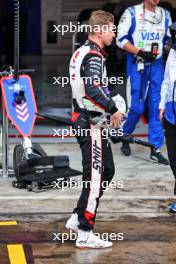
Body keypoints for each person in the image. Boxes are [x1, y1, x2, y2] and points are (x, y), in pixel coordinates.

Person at [65, 10, 124, 249]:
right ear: (100, 31)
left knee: (106, 171)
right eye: (111, 29)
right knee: (95, 178)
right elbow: (92, 88)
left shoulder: (85, 51)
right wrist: (114, 109)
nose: (114, 33)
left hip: (91, 122)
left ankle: (77, 218)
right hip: (90, 123)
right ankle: (85, 231)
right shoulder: (93, 56)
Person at [117, 0, 172, 164]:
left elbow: (170, 38)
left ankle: (155, 148)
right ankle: (125, 136)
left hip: (157, 65)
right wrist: (139, 51)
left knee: (157, 106)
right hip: (136, 63)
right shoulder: (131, 13)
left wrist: (166, 46)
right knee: (136, 107)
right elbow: (120, 39)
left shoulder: (165, 14)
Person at [159, 21, 176, 211]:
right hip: (171, 111)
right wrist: (162, 104)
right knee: (173, 157)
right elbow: (166, 81)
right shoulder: (172, 52)